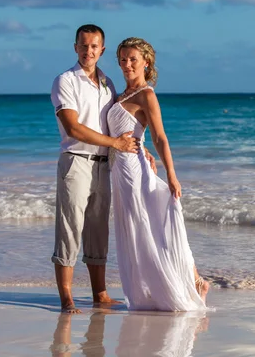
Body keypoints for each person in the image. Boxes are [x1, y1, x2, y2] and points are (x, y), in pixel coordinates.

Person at [50, 24, 154, 314]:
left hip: (104, 165)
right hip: (75, 161)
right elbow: (73, 127)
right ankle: (67, 297)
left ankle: (100, 294)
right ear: (75, 47)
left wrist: (138, 145)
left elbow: (119, 123)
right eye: (83, 46)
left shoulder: (107, 84)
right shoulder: (65, 81)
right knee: (70, 228)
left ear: (102, 50)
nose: (88, 51)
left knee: (98, 230)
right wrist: (115, 143)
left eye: (94, 46)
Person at [107, 37, 210, 311]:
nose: (127, 64)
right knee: (138, 230)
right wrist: (144, 149)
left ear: (146, 63)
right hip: (120, 169)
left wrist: (172, 174)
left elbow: (161, 137)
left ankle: (194, 281)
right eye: (123, 59)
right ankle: (172, 284)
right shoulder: (120, 95)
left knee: (149, 229)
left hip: (134, 170)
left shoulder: (146, 94)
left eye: (133, 59)